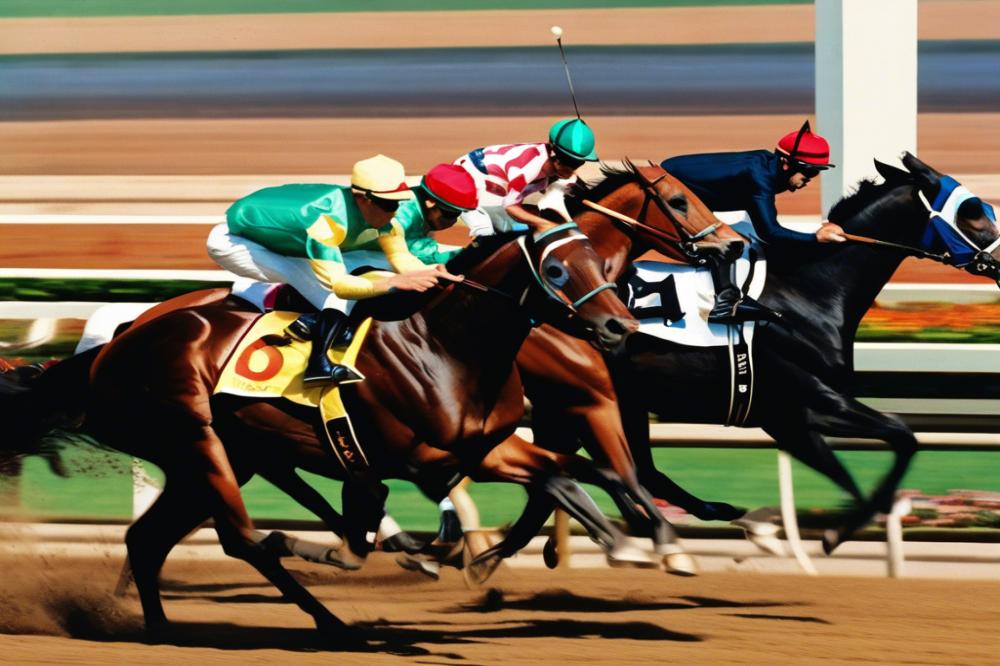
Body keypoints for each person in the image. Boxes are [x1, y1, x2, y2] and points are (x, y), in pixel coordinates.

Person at [206, 154, 462, 386]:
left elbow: (401, 259)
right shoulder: (326, 223)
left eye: (398, 204)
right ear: (362, 199)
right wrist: (394, 283)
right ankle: (317, 365)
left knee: (362, 275)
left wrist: (436, 272)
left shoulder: (387, 218)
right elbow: (339, 286)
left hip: (288, 242)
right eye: (387, 205)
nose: (394, 212)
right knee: (336, 297)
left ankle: (305, 319)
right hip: (237, 243)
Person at [660, 120, 846, 324]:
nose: (810, 178)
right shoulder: (761, 177)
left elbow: (765, 227)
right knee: (729, 243)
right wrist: (816, 238)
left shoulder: (771, 168)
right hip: (670, 191)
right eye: (809, 171)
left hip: (684, 186)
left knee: (741, 236)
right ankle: (725, 304)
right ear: (785, 163)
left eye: (816, 172)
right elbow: (770, 232)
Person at [454, 118, 598, 236]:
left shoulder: (550, 157)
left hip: (492, 178)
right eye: (569, 164)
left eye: (577, 164)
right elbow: (510, 207)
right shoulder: (528, 169)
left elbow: (573, 187)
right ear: (555, 155)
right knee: (488, 233)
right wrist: (545, 224)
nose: (572, 170)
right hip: (465, 182)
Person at [340, 163, 479, 273]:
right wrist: (477, 250)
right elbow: (430, 258)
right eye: (450, 214)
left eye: (459, 213)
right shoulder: (403, 217)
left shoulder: (417, 200)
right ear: (430, 202)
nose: (453, 221)